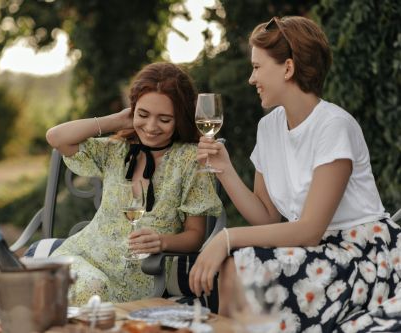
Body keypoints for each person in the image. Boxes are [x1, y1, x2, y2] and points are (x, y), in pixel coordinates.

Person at [189, 16, 401, 332]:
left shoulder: (334, 126)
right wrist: (224, 169)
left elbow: (309, 230)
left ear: (288, 68)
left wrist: (227, 237)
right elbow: (267, 218)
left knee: (243, 263)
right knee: (237, 264)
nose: (251, 78)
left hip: (362, 254)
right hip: (316, 251)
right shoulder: (268, 127)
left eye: (258, 67)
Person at [46, 62, 222, 305]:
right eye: (143, 114)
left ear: (179, 118)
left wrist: (162, 241)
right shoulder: (117, 151)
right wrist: (117, 121)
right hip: (82, 256)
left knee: (92, 291)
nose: (151, 127)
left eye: (164, 119)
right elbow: (56, 137)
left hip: (138, 274)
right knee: (86, 288)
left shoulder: (190, 159)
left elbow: (195, 235)